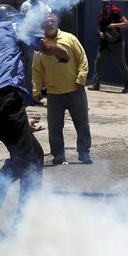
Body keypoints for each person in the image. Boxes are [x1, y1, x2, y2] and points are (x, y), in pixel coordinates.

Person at [0, 4, 69, 239]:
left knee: (35, 154)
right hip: (4, 100)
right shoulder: (12, 26)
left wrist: (20, 118)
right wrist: (63, 52)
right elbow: (44, 45)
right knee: (24, 159)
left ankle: (23, 218)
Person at [32, 12, 92, 165]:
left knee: (82, 123)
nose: (50, 24)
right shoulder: (39, 44)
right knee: (55, 127)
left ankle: (84, 152)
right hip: (54, 93)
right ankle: (58, 155)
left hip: (75, 90)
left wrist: (81, 79)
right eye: (46, 22)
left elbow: (82, 59)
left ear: (57, 22)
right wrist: (36, 90)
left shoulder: (70, 38)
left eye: (52, 21)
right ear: (42, 25)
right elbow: (37, 70)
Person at [88, 0, 128, 93]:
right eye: (104, 3)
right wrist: (100, 32)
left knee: (121, 64)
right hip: (104, 42)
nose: (105, 5)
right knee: (98, 62)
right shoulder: (102, 14)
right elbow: (99, 26)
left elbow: (127, 24)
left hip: (116, 42)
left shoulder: (116, 12)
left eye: (107, 3)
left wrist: (114, 25)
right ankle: (95, 84)